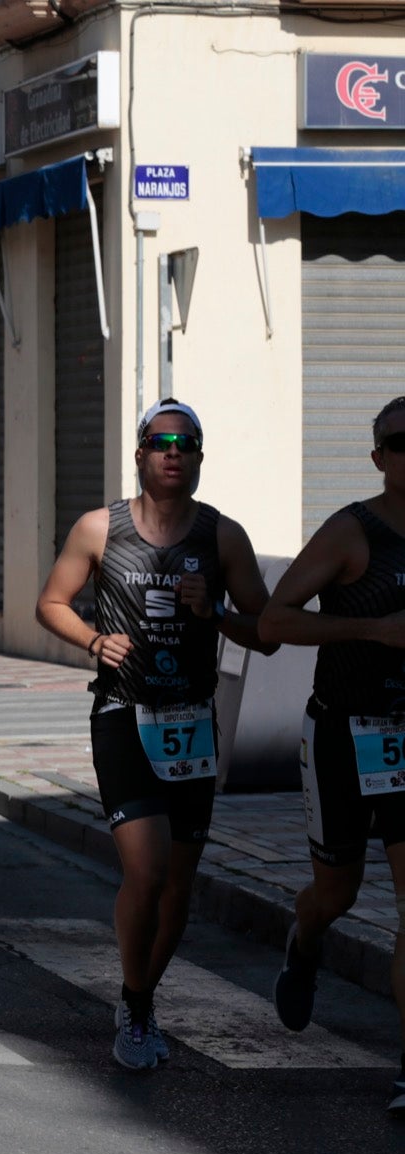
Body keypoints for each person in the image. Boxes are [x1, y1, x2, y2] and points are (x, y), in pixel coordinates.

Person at [37, 399, 274, 1071]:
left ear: (200, 458)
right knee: (145, 870)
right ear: (139, 454)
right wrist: (93, 639)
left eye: (187, 443)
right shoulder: (98, 528)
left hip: (193, 721)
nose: (174, 451)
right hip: (122, 713)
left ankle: (139, 992)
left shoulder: (223, 537)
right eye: (161, 441)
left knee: (179, 883)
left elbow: (269, 630)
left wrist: (217, 611)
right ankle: (138, 1008)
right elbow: (49, 602)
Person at [259, 393, 405, 1115]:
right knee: (338, 892)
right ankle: (305, 936)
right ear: (378, 456)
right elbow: (275, 617)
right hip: (344, 731)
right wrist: (375, 630)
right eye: (399, 441)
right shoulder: (354, 531)